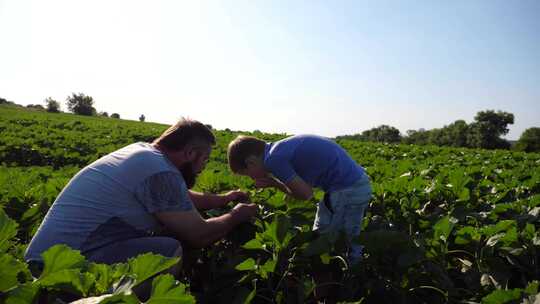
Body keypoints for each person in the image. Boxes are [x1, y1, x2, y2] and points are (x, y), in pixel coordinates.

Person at [25, 118, 258, 269]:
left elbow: (180, 198)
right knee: (168, 250)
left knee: (167, 234)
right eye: (204, 160)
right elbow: (199, 235)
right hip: (58, 269)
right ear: (191, 153)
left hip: (45, 258)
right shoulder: (160, 172)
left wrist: (223, 199)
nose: (203, 167)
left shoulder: (143, 154)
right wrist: (236, 215)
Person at [227, 134, 371, 265]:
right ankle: (348, 271)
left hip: (347, 189)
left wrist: (275, 184)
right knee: (337, 232)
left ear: (251, 162)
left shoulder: (273, 160)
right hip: (354, 184)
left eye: (247, 174)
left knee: (330, 239)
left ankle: (343, 276)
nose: (252, 178)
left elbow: (305, 195)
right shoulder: (278, 149)